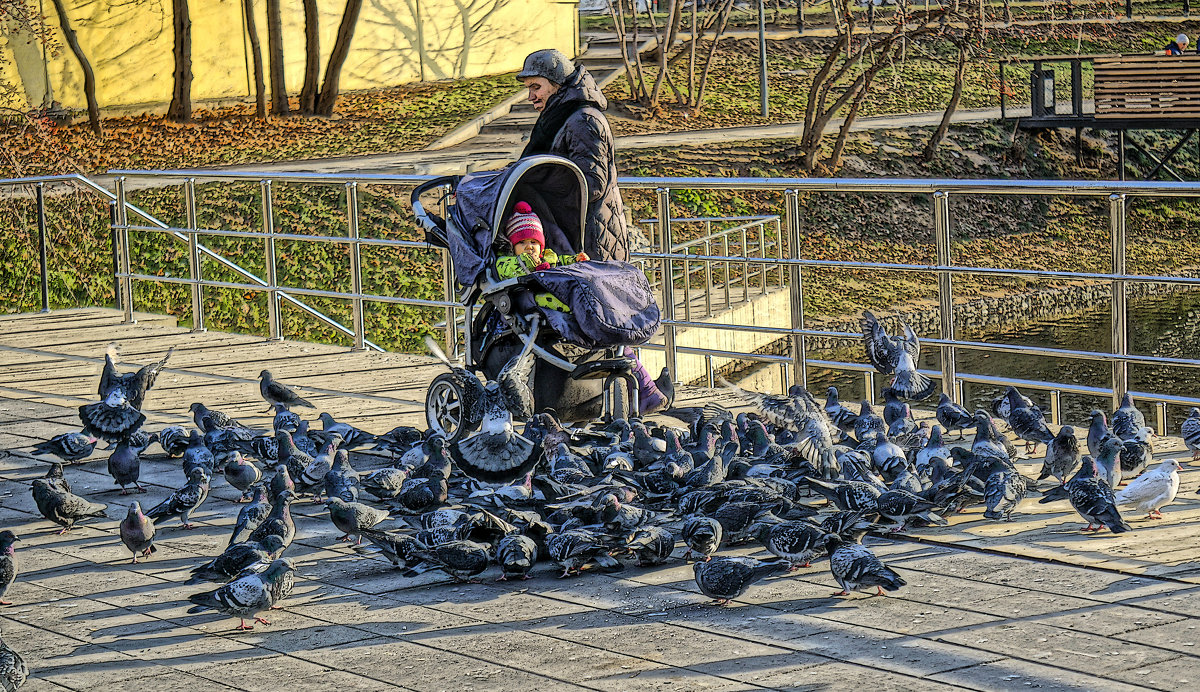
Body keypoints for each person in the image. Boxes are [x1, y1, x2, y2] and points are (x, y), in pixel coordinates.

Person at [517, 49, 630, 263]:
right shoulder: (560, 118)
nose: (531, 96)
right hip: (580, 239)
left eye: (536, 87)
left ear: (557, 84)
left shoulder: (584, 120)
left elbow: (592, 185)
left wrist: (536, 181)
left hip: (593, 243)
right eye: (528, 89)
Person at [496, 201, 588, 313]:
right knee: (556, 300)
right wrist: (528, 262)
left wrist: (576, 260)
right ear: (512, 246)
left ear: (541, 246)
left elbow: (562, 261)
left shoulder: (549, 256)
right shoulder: (506, 261)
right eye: (522, 243)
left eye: (533, 242)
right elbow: (506, 270)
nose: (529, 247)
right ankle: (575, 310)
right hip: (531, 295)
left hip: (556, 289)